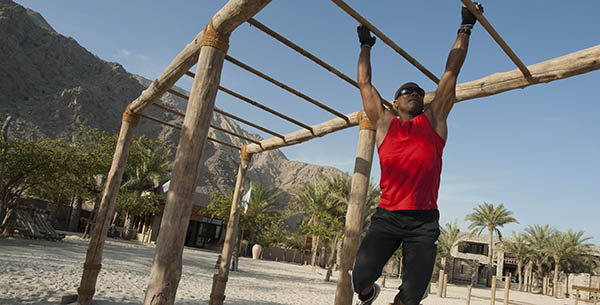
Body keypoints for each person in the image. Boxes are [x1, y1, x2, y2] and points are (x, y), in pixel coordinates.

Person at [352, 3, 484, 305]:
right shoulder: (385, 124)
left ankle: (408, 296)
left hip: (423, 221)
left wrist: (466, 26)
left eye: (417, 90)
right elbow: (364, 83)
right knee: (359, 277)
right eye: (405, 90)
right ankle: (369, 294)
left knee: (411, 296)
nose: (413, 91)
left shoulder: (434, 119)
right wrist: (365, 46)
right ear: (394, 103)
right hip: (387, 216)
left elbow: (452, 70)